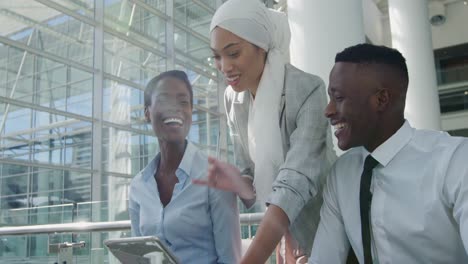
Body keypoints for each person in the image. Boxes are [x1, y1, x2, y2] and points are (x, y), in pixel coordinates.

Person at [193, 0, 335, 263]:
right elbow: (250, 175)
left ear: (262, 47)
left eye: (233, 53)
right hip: (282, 236)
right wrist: (234, 182)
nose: (224, 66)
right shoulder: (234, 99)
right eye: (216, 56)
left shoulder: (307, 90)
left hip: (326, 229)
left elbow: (295, 182)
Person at [309, 43, 468, 263]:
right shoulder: (341, 174)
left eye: (339, 98)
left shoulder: (455, 161)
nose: (328, 111)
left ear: (381, 100)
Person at [128, 70, 241, 264]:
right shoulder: (139, 185)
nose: (175, 109)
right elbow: (138, 257)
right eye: (164, 100)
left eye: (183, 102)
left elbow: (230, 260)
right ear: (147, 113)